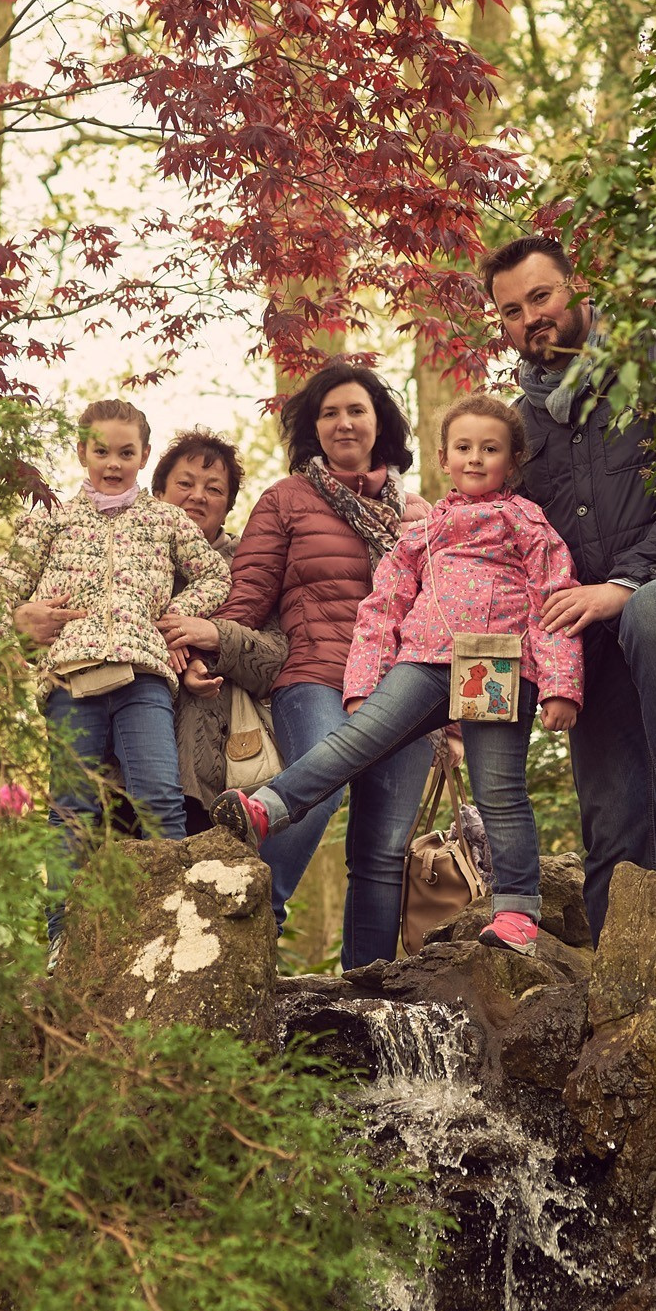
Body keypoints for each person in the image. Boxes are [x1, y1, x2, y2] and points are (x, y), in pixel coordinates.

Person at [213, 394, 584, 954]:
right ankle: (270, 806)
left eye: (491, 449)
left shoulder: (527, 523)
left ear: (513, 461)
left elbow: (554, 599)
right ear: (444, 456)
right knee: (354, 741)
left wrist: (559, 685)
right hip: (422, 662)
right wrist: (364, 684)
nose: (476, 459)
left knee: (500, 789)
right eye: (464, 448)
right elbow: (382, 607)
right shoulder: (424, 530)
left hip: (495, 661)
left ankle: (516, 911)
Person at [482, 234, 656, 940]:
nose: (531, 318)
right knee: (611, 821)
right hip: (596, 627)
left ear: (576, 289)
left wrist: (625, 582)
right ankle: (619, 981)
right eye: (513, 311)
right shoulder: (519, 425)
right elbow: (510, 539)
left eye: (541, 296)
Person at [169, 359, 433, 967]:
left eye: (356, 410)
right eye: (330, 412)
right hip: (317, 676)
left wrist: (448, 722)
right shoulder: (287, 499)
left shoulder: (419, 515)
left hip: (410, 689)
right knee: (320, 786)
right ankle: (253, 916)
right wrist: (208, 650)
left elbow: (439, 613)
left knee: (384, 851)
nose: (344, 422)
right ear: (314, 428)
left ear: (379, 423)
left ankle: (366, 992)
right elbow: (250, 594)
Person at [0, 400, 230, 952]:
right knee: (72, 809)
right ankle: (60, 943)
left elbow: (216, 573)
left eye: (126, 452)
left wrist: (176, 620)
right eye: (101, 451)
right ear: (81, 452)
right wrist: (21, 624)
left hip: (141, 676)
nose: (112, 463)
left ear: (143, 456)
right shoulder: (51, 518)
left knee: (159, 797)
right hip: (71, 679)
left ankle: (172, 931)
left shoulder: (164, 519)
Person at [149, 430, 288, 834]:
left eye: (214, 489)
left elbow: (276, 658)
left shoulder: (250, 566)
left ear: (226, 506)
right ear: (157, 494)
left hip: (212, 769)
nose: (198, 496)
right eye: (185, 483)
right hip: (117, 767)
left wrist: (215, 637)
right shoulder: (121, 556)